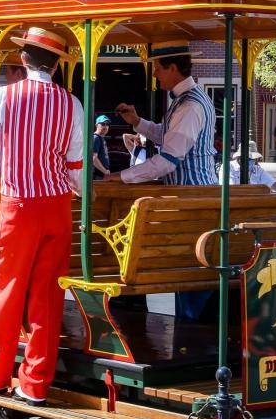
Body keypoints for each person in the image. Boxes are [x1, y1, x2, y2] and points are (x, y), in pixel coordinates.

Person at [0, 27, 83, 406]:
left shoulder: (4, 97)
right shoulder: (72, 103)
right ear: (56, 64)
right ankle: (34, 384)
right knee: (48, 295)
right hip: (58, 205)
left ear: (25, 58)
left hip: (19, 206)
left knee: (8, 289)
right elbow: (75, 164)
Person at [111, 40, 217, 319]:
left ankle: (192, 333)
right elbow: (168, 137)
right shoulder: (187, 100)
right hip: (193, 198)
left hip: (194, 200)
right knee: (187, 269)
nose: (154, 75)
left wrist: (120, 176)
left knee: (191, 270)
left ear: (172, 68)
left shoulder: (190, 105)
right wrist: (137, 122)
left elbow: (168, 160)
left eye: (157, 69)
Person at [92, 114, 112, 179]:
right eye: (103, 124)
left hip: (101, 175)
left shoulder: (101, 138)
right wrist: (105, 171)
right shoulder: (96, 138)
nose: (105, 126)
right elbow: (93, 158)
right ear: (96, 125)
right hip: (97, 175)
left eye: (107, 124)